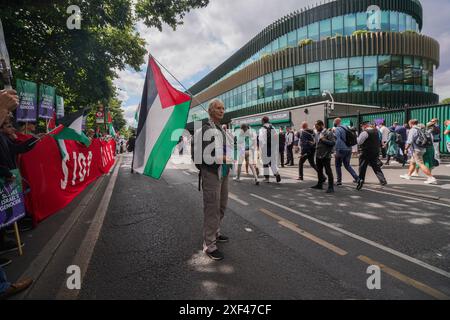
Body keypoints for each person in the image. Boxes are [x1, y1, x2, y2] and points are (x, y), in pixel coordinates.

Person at [192, 99, 231, 261]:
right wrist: (220, 158)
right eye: (218, 108)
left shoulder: (220, 129)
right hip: (211, 174)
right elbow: (199, 156)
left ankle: (216, 231)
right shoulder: (205, 130)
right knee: (212, 208)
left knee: (222, 206)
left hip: (224, 173)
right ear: (210, 111)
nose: (222, 111)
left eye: (223, 108)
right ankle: (209, 244)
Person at [400, 119, 437, 184]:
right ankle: (408, 175)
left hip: (416, 150)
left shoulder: (413, 130)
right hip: (422, 148)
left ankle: (431, 177)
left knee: (420, 163)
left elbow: (409, 141)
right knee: (412, 162)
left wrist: (406, 149)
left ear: (411, 123)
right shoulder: (420, 128)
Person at [356, 122, 387, 191]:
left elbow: (359, 142)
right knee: (375, 166)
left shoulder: (365, 132)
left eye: (362, 126)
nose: (362, 128)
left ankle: (361, 180)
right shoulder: (376, 132)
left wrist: (356, 138)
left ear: (365, 126)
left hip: (365, 152)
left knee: (362, 167)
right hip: (375, 152)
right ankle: (382, 180)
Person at [311, 120, 335, 193]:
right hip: (318, 155)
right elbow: (317, 143)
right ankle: (319, 184)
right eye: (315, 127)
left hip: (326, 155)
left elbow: (333, 143)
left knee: (328, 171)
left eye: (317, 126)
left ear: (322, 125)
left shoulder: (328, 132)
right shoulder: (317, 133)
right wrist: (313, 144)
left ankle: (331, 187)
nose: (316, 128)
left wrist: (324, 140)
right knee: (319, 170)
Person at [333, 118, 359, 186]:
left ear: (336, 122)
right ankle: (357, 178)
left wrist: (335, 150)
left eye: (334, 122)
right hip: (349, 148)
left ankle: (339, 181)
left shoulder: (337, 129)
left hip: (341, 149)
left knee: (338, 165)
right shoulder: (346, 127)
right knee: (347, 165)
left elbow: (337, 140)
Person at [258, 116, 281, 183]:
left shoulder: (262, 129)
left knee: (265, 162)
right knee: (272, 162)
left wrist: (261, 148)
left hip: (265, 147)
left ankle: (267, 178)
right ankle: (276, 173)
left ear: (263, 121)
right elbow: (276, 137)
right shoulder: (272, 127)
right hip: (273, 147)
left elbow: (261, 140)